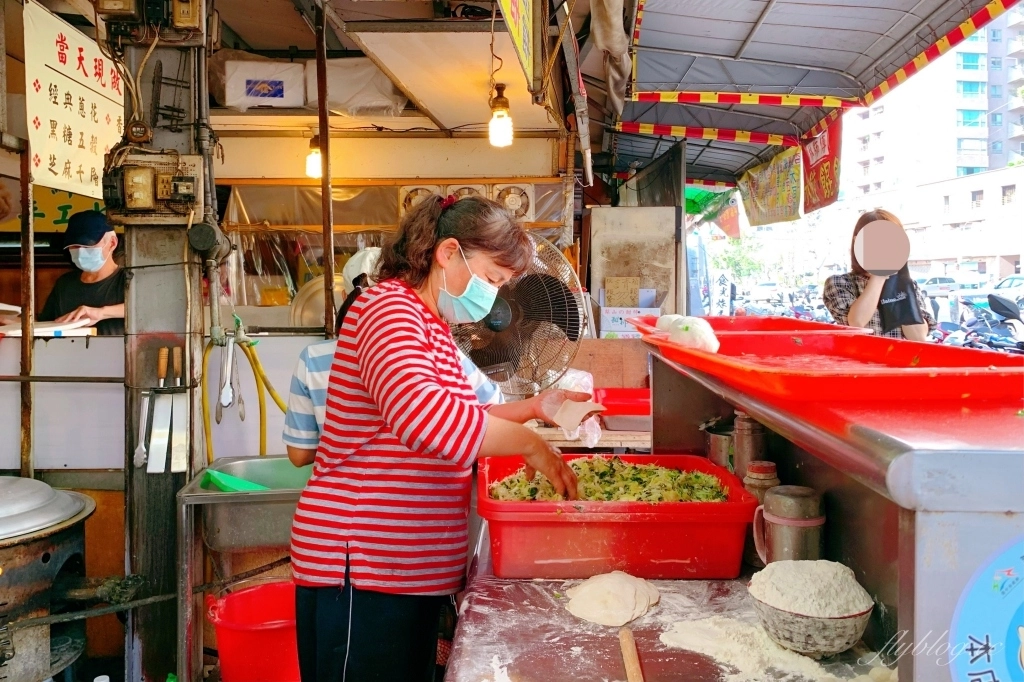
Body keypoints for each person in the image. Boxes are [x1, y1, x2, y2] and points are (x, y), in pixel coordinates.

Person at [286, 194, 584, 682]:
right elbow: (425, 417)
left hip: (406, 570)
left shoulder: (433, 326)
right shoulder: (387, 310)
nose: (493, 297)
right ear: (448, 253)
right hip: (364, 566)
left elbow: (464, 413)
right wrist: (529, 445)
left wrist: (532, 410)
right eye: (491, 280)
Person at [823, 209, 935, 340]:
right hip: (863, 360)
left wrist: (899, 285)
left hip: (901, 360)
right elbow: (856, 324)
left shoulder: (908, 284)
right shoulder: (839, 283)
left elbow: (918, 337)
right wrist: (879, 275)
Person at [39, 210, 125, 335]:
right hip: (69, 352)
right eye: (74, 247)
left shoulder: (127, 279)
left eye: (87, 246)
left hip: (117, 354)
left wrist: (102, 312)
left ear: (112, 243)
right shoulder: (65, 283)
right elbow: (46, 323)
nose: (80, 252)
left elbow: (150, 308)